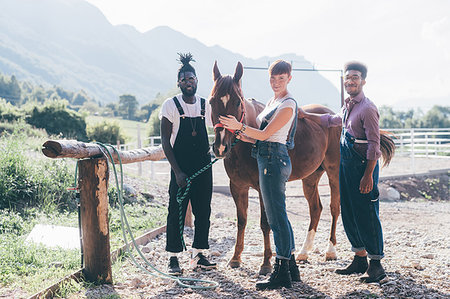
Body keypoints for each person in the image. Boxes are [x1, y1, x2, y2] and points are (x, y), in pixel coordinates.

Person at [299, 61, 386, 283]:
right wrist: (306, 115)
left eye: (355, 77)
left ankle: (376, 265)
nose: (350, 81)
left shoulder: (367, 108)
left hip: (362, 165)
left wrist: (368, 175)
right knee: (349, 211)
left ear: (363, 81)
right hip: (346, 162)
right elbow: (331, 120)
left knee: (366, 213)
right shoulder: (349, 106)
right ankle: (359, 258)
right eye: (348, 78)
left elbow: (374, 146)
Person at [219, 59, 300, 290]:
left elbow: (266, 135)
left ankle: (281, 271)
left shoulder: (287, 104)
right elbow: (259, 136)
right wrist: (240, 135)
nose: (276, 83)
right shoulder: (274, 101)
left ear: (289, 79)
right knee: (279, 215)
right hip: (266, 156)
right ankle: (291, 268)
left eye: (281, 79)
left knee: (276, 218)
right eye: (273, 78)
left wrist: (239, 126)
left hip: (274, 159)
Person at [159, 53, 216, 275]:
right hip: (180, 166)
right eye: (183, 80)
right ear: (178, 83)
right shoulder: (170, 105)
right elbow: (165, 140)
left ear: (196, 80)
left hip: (203, 165)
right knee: (176, 211)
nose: (187, 82)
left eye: (190, 79)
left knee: (204, 210)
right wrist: (177, 171)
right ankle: (173, 257)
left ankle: (199, 254)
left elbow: (219, 128)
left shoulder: (206, 105)